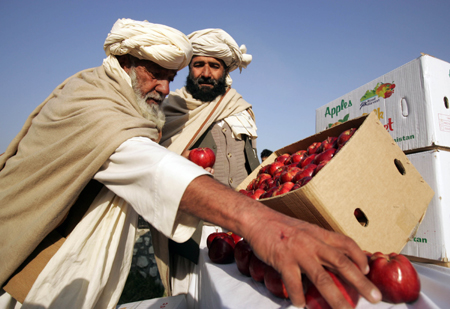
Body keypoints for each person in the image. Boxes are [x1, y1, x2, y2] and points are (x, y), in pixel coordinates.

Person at [0, 19, 382, 309]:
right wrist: (260, 220)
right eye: (157, 74)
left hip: (227, 223)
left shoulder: (132, 102)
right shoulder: (96, 106)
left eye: (170, 78)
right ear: (125, 61)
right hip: (58, 258)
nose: (166, 89)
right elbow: (149, 165)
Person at [160, 29, 259, 189]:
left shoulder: (242, 109)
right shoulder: (171, 108)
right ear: (189, 68)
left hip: (246, 206)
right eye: (198, 65)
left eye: (214, 66)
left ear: (225, 71)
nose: (206, 73)